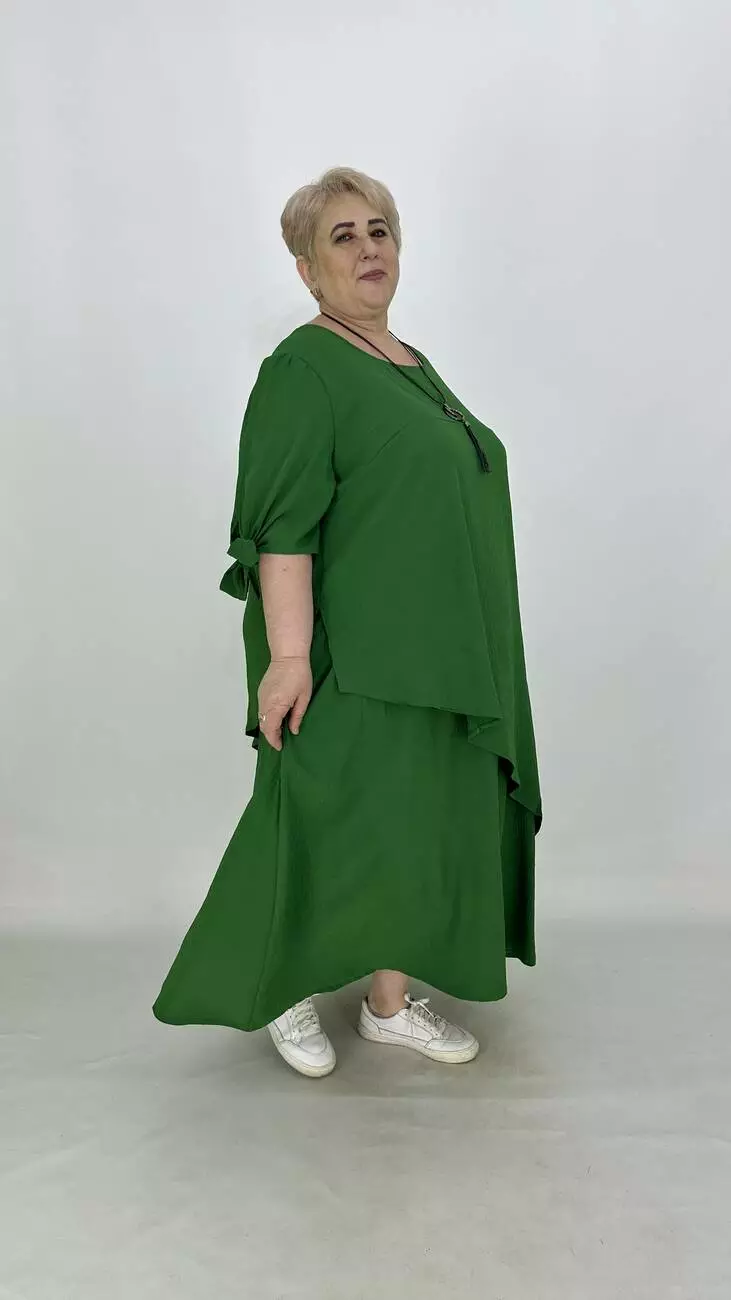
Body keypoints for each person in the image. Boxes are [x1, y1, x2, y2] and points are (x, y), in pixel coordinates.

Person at [152, 165, 543, 1079]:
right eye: (342, 236)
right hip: (350, 652)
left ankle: (387, 1004)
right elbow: (281, 530)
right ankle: (281, 987)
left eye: (379, 230)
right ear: (306, 268)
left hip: (442, 652)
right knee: (317, 814)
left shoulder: (408, 362)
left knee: (413, 819)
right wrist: (289, 657)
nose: (368, 248)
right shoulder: (303, 368)